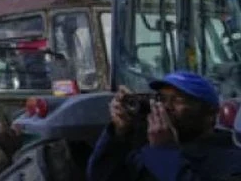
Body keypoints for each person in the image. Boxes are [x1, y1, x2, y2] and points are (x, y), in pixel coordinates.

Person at [87, 72, 241, 180]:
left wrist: (165, 152)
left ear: (210, 113)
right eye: (161, 98)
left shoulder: (231, 160)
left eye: (177, 100)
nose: (165, 107)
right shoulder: (147, 152)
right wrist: (118, 134)